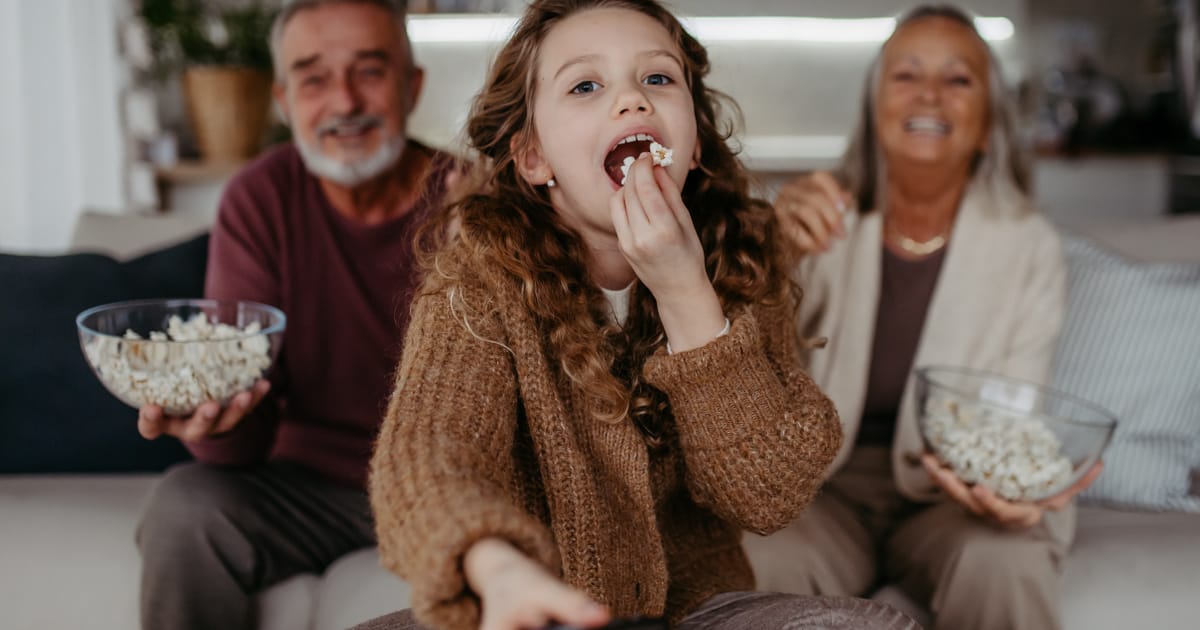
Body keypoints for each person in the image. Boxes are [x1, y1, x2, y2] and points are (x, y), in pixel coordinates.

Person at [355, 2, 922, 630]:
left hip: (699, 612)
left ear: (696, 143)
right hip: (517, 603)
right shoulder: (476, 285)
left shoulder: (740, 269)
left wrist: (686, 292)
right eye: (586, 86)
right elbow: (431, 453)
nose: (631, 101)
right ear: (534, 157)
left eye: (657, 78)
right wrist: (495, 567)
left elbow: (769, 494)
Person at [742, 6, 1104, 630]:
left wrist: (1016, 494)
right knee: (760, 561)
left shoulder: (1029, 246)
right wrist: (772, 249)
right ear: (874, 108)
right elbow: (746, 363)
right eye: (906, 75)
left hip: (954, 500)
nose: (930, 94)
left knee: (1006, 565)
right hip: (820, 492)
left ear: (989, 121)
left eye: (959, 79)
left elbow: (1015, 417)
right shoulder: (817, 219)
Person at [133, 2, 452, 629]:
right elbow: (240, 438)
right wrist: (216, 420)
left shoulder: (474, 201)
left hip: (450, 485)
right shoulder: (260, 198)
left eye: (369, 71)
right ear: (283, 99)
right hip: (308, 489)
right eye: (313, 78)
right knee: (184, 508)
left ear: (411, 86)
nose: (342, 101)